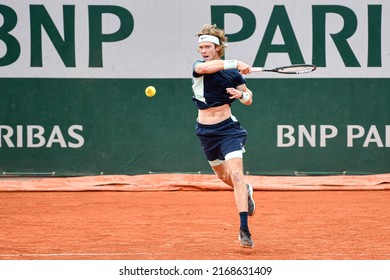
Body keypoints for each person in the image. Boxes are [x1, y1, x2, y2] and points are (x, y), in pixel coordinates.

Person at [191, 24, 256, 249]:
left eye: (207, 46)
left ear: (217, 47)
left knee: (237, 174)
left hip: (229, 130)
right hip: (206, 132)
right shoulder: (199, 67)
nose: (203, 50)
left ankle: (244, 229)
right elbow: (207, 69)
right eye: (200, 47)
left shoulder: (232, 74)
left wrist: (241, 95)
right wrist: (236, 63)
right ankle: (246, 191)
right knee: (223, 177)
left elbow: (249, 98)